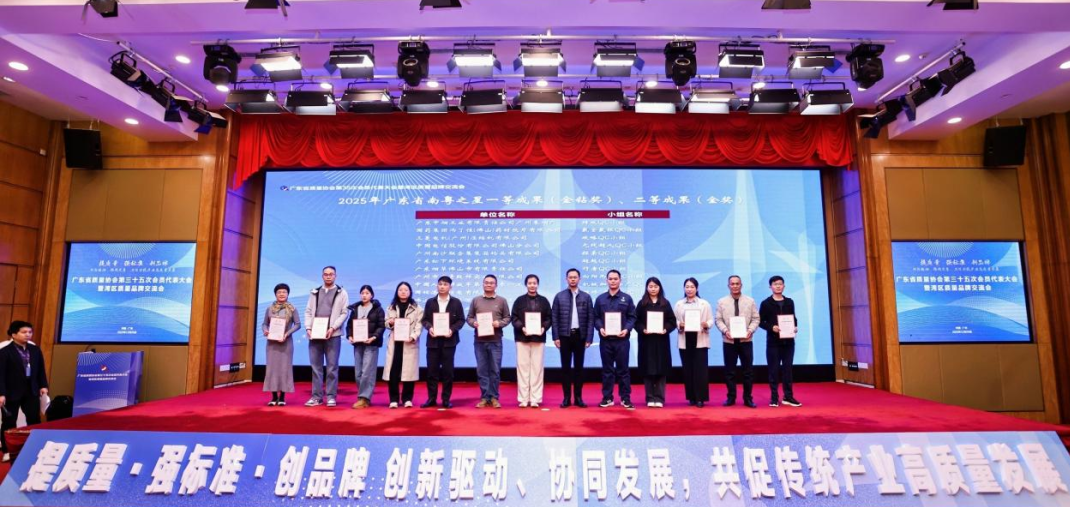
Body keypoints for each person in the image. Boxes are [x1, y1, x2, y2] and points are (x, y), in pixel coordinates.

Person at [303, 266, 349, 408]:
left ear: (335, 276)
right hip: (315, 334)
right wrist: (308, 328)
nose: (328, 276)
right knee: (316, 367)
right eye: (326, 274)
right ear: (322, 276)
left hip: (333, 335)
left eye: (331, 274)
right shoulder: (314, 292)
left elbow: (344, 312)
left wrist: (333, 327)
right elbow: (308, 311)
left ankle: (331, 396)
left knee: (332, 367)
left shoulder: (342, 292)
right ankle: (316, 397)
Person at [0, 321, 48, 456]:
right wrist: (1, 393)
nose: (28, 334)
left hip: (31, 389)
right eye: (24, 332)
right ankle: (8, 450)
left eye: (30, 332)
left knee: (34, 419)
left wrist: (43, 385)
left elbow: (41, 370)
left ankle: (36, 446)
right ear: (14, 334)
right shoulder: (4, 352)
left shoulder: (35, 350)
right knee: (9, 421)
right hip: (11, 391)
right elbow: (0, 374)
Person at [715, 275, 761, 408]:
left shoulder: (750, 301)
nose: (735, 286)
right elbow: (718, 320)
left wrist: (750, 330)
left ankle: (748, 398)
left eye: (737, 283)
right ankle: (731, 397)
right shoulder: (722, 302)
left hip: (746, 340)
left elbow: (756, 319)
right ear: (728, 286)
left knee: (748, 371)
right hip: (729, 341)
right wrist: (725, 331)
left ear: (741, 285)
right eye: (732, 284)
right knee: (730, 371)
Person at [593, 269, 637, 409]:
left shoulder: (627, 298)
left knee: (623, 370)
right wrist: (600, 328)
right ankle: (607, 398)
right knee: (607, 370)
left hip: (622, 340)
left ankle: (625, 398)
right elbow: (596, 317)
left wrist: (627, 329)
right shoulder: (600, 299)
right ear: (606, 281)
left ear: (620, 280)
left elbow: (632, 317)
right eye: (610, 279)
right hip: (606, 340)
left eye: (615, 279)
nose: (613, 281)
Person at [420, 276, 465, 409]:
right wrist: (430, 328)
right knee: (431, 372)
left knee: (448, 372)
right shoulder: (430, 302)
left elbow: (461, 320)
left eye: (445, 284)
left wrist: (452, 329)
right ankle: (431, 398)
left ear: (450, 287)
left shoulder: (456, 302)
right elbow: (425, 320)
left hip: (449, 341)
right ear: (437, 286)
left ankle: (446, 399)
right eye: (440, 284)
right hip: (433, 341)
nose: (442, 286)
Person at [551, 268, 594, 408]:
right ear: (566, 279)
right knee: (565, 368)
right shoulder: (559, 296)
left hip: (580, 336)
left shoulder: (586, 297)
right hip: (564, 336)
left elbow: (590, 318)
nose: (573, 279)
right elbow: (554, 318)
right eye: (570, 277)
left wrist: (589, 337)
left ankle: (578, 398)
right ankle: (566, 398)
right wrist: (556, 337)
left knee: (579, 368)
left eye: (575, 277)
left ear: (579, 279)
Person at [467, 274, 511, 408]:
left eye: (491, 283)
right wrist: (474, 323)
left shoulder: (502, 301)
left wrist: (499, 323)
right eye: (486, 282)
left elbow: (507, 318)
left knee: (495, 371)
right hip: (479, 341)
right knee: (482, 371)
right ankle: (485, 397)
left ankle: (494, 398)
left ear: (496, 285)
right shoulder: (476, 300)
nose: (489, 284)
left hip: (495, 341)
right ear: (483, 284)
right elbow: (469, 317)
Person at [511, 274, 552, 408]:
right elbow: (514, 318)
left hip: (538, 338)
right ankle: (523, 398)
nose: (532, 285)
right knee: (522, 368)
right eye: (530, 283)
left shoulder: (544, 301)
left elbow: (549, 318)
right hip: (522, 337)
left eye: (534, 283)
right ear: (526, 285)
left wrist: (543, 327)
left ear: (537, 285)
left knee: (537, 369)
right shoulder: (519, 301)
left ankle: (535, 398)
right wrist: (522, 327)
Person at [759, 275, 801, 408]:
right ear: (770, 287)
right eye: (775, 284)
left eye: (780, 284)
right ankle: (774, 397)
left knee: (788, 370)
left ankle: (788, 396)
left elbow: (793, 318)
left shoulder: (790, 302)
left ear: (784, 286)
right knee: (774, 370)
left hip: (789, 342)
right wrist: (772, 327)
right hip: (773, 342)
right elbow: (761, 322)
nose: (778, 286)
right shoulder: (766, 303)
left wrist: (795, 327)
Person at [636, 277, 677, 408]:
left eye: (655, 286)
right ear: (646, 288)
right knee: (647, 369)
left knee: (661, 368)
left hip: (661, 341)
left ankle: (659, 397)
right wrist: (643, 329)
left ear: (660, 288)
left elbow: (672, 321)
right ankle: (650, 397)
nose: (653, 289)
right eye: (650, 286)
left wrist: (666, 329)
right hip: (646, 341)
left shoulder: (665, 303)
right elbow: (636, 321)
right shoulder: (642, 303)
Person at [674, 278, 714, 407]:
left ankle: (700, 398)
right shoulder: (679, 304)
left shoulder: (704, 304)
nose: (689, 289)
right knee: (688, 369)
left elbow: (711, 320)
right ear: (684, 288)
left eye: (692, 287)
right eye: (687, 287)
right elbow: (674, 320)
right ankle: (691, 397)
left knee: (700, 370)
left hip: (700, 338)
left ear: (697, 288)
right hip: (685, 338)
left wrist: (706, 324)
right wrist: (680, 324)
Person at [261, 283, 301, 406]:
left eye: (284, 292)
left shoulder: (292, 308)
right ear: (275, 294)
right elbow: (264, 323)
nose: (282, 294)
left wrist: (287, 334)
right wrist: (265, 331)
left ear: (288, 294)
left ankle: (282, 396)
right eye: (279, 292)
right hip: (272, 344)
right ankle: (273, 397)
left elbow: (298, 324)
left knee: (284, 369)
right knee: (272, 369)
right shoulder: (269, 308)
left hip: (286, 343)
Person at [384, 281, 422, 409]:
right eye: (400, 290)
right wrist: (389, 322)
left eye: (406, 290)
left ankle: (407, 399)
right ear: (397, 292)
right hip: (395, 343)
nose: (403, 292)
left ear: (410, 292)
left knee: (409, 372)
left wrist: (414, 336)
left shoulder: (417, 308)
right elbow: (386, 322)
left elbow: (419, 325)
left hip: (409, 343)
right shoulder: (391, 307)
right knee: (393, 372)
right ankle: (393, 399)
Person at [347, 285, 385, 409]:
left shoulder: (378, 309)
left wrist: (374, 337)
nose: (364, 295)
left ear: (372, 295)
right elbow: (349, 325)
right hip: (358, 344)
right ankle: (363, 397)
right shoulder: (355, 309)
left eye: (367, 293)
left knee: (367, 372)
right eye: (362, 293)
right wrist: (350, 336)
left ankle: (364, 398)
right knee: (358, 373)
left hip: (371, 344)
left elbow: (381, 326)